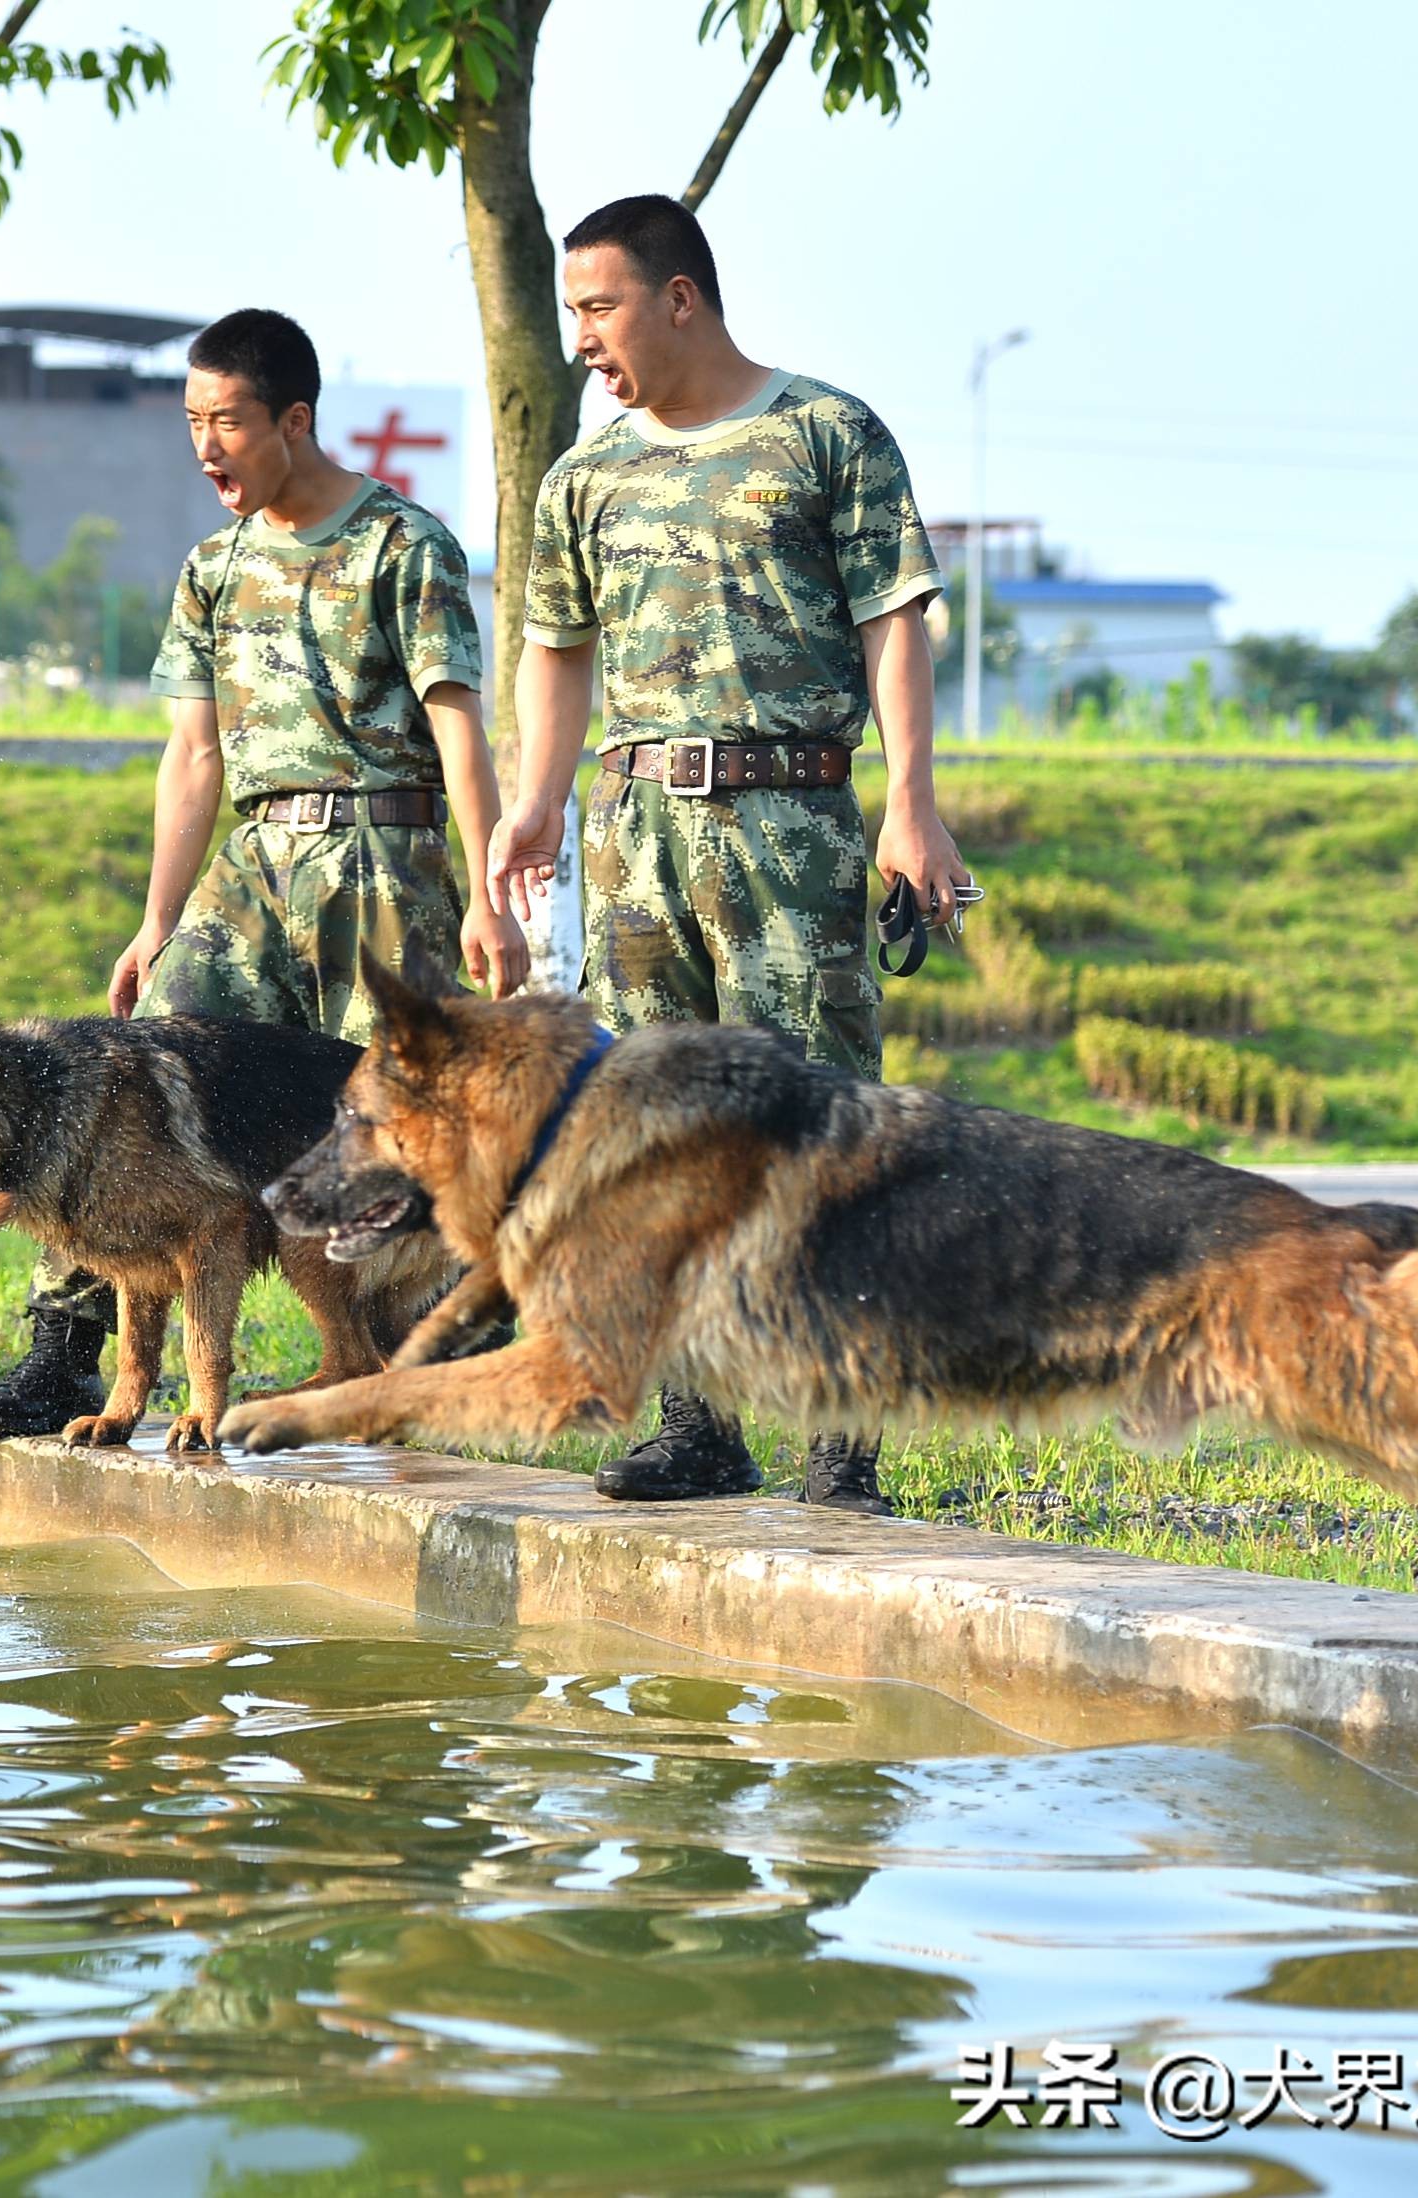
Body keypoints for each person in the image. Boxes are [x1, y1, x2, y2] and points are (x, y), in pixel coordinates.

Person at [0, 306, 528, 1440]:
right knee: (130, 1073)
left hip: (386, 861)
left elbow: (456, 724)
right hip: (254, 865)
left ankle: (412, 1372)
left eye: (226, 420)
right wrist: (157, 920)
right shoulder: (213, 567)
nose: (206, 445)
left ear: (295, 419)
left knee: (396, 1125)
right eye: (191, 422)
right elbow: (194, 751)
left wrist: (488, 889)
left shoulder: (403, 545)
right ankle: (66, 1354)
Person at [488, 192, 971, 1515]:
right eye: (568, 312)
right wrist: (536, 799)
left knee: (822, 1134)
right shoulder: (583, 476)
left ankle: (839, 1445)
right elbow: (555, 644)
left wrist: (909, 802)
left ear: (678, 297)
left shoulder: (825, 433)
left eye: (596, 307)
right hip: (634, 829)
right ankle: (698, 1426)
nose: (579, 336)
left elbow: (893, 617)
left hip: (789, 820)